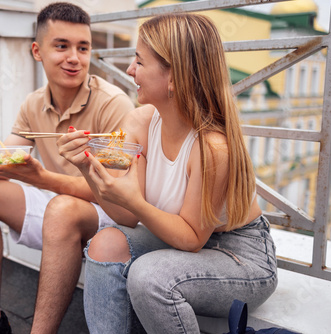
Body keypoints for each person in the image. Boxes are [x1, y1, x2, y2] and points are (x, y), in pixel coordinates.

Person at [58, 13, 278, 334]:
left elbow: (190, 238)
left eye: (139, 61)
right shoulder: (141, 122)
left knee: (150, 276)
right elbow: (126, 216)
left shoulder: (212, 148)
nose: (130, 70)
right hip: (182, 241)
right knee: (105, 243)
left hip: (240, 256)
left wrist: (138, 203)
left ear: (174, 76)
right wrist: (86, 166)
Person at [0, 2, 134, 334]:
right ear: (37, 51)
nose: (74, 57)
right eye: (62, 46)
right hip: (60, 202)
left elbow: (118, 195)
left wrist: (41, 178)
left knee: (63, 209)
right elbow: (0, 168)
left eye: (83, 47)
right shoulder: (33, 103)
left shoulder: (115, 104)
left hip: (110, 214)